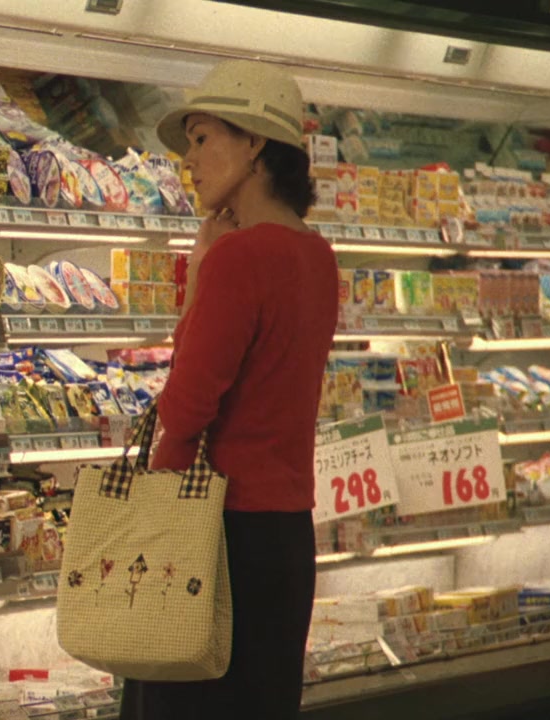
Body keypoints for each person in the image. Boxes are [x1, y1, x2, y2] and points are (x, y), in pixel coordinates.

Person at [118, 60, 339, 719]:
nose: (188, 159)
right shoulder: (318, 255)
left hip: (214, 537)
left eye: (202, 138)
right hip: (285, 538)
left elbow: (186, 405)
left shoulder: (238, 257)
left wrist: (200, 275)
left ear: (255, 144)